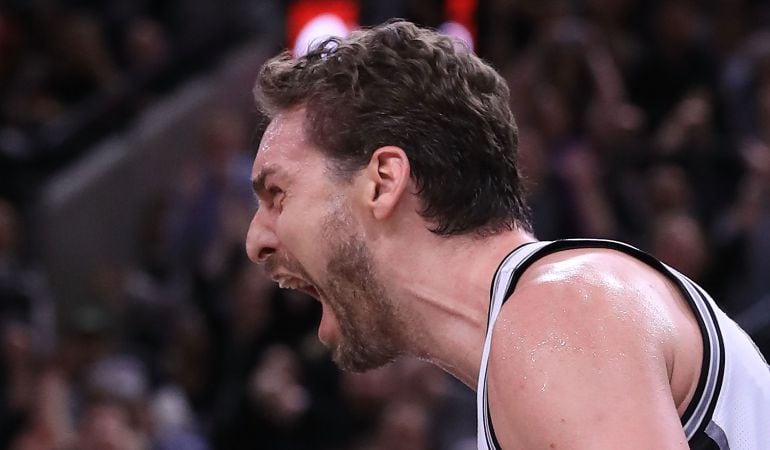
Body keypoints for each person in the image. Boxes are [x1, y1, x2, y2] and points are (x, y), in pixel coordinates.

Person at [244, 20, 770, 449]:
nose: (255, 240)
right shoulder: (539, 334)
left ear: (383, 182)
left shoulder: (555, 315)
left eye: (277, 195)